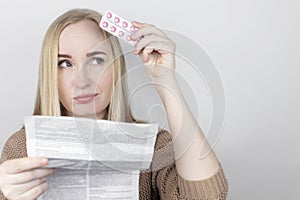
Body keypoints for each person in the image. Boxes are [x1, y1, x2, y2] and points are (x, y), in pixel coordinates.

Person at [0, 8, 228, 199]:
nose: (82, 81)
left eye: (96, 60)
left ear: (117, 67)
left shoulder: (154, 146)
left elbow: (206, 196)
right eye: (64, 64)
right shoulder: (21, 148)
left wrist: (166, 81)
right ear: (49, 73)